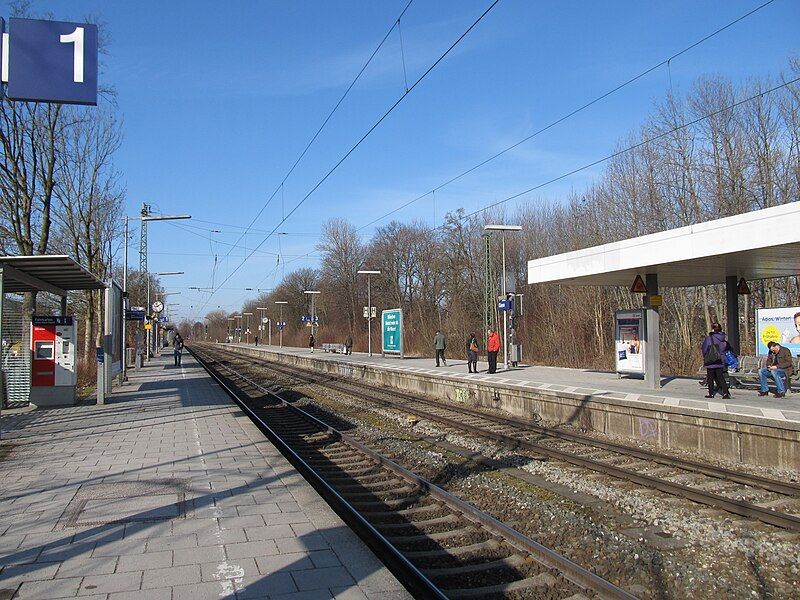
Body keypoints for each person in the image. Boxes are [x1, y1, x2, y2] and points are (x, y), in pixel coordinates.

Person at [701, 322, 730, 399]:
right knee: (721, 377)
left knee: (710, 377)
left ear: (713, 329)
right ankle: (725, 393)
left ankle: (711, 393)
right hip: (720, 360)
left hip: (711, 360)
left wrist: (705, 356)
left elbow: (704, 349)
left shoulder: (709, 338)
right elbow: (725, 348)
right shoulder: (723, 338)